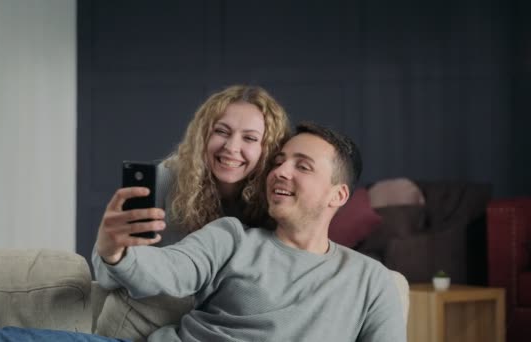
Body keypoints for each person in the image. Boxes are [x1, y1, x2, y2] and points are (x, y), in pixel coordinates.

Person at [94, 122, 406, 341]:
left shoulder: (371, 280)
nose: (280, 172)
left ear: (337, 195)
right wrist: (116, 251)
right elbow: (169, 269)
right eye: (280, 162)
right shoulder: (231, 238)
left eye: (303, 166)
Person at [93, 84, 291, 338]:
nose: (231, 147)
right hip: (150, 312)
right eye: (221, 131)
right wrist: (114, 251)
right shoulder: (166, 179)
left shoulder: (276, 200)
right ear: (202, 136)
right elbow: (104, 274)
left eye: (250, 138)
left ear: (270, 149)